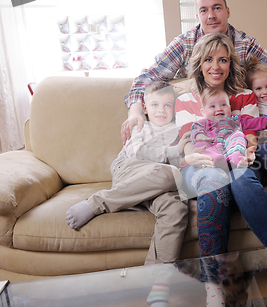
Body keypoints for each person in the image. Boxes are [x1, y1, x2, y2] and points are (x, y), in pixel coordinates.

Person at [176, 32, 267, 307]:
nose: (216, 66)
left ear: (230, 63)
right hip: (201, 163)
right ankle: (214, 288)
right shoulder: (185, 99)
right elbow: (188, 141)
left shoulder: (245, 96)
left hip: (239, 156)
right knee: (213, 182)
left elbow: (251, 134)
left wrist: (247, 150)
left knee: (243, 181)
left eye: (223, 59)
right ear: (199, 62)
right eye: (209, 59)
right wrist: (192, 153)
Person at [120, 0, 267, 147]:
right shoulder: (185, 44)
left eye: (217, 8)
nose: (211, 15)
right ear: (197, 16)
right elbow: (148, 77)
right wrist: (135, 111)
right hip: (202, 122)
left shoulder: (245, 44)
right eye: (204, 10)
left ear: (227, 11)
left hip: (239, 121)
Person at [66, 82, 189, 266]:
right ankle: (97, 202)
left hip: (157, 186)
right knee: (171, 173)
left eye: (167, 105)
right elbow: (139, 154)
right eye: (155, 105)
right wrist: (174, 152)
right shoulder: (141, 128)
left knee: (176, 209)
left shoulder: (179, 130)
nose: (161, 110)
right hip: (130, 171)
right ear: (145, 108)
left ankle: (157, 282)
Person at [191, 86, 267, 169]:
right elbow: (195, 131)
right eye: (212, 106)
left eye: (223, 105)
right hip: (213, 146)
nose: (219, 109)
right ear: (203, 112)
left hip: (230, 148)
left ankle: (237, 158)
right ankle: (216, 160)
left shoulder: (234, 120)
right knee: (200, 145)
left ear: (230, 107)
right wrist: (199, 136)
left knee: (238, 135)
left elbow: (252, 122)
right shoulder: (203, 123)